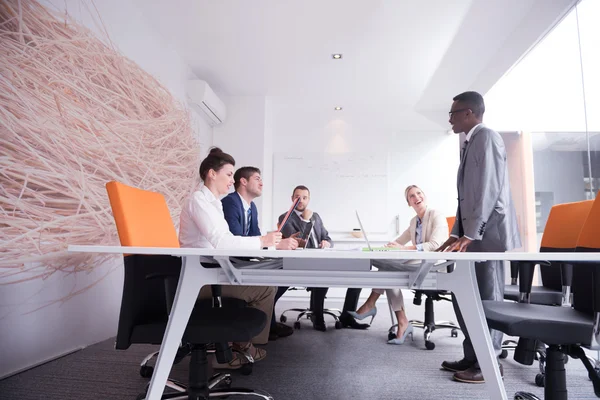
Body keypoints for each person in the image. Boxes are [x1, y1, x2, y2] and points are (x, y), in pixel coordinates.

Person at [437, 91, 521, 384]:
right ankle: (473, 355)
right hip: (472, 237)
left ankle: (489, 362)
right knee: (465, 296)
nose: (450, 119)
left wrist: (471, 233)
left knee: (487, 298)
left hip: (487, 237)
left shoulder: (486, 137)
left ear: (469, 112)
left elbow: (487, 189)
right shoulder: (471, 141)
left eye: (453, 113)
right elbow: (467, 198)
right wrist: (456, 234)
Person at [179, 148, 282, 368]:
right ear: (211, 174)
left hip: (209, 274)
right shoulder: (199, 201)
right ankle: (240, 348)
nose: (232, 180)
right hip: (200, 281)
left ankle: (236, 345)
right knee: (266, 288)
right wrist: (263, 241)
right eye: (228, 174)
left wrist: (264, 243)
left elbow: (226, 241)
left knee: (262, 281)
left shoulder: (214, 205)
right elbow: (223, 242)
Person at [348, 185, 448, 344]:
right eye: (411, 196)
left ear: (424, 196)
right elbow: (399, 241)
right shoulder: (414, 222)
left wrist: (404, 248)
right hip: (418, 264)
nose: (416, 198)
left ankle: (372, 305)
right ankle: (401, 322)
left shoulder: (436, 215)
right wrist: (384, 248)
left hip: (433, 267)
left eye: (418, 193)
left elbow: (435, 244)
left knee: (387, 268)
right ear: (409, 203)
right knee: (387, 270)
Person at [221, 166, 298, 341]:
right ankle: (267, 325)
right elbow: (235, 240)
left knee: (285, 273)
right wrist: (275, 245)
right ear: (243, 181)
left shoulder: (252, 207)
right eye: (257, 178)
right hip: (233, 263)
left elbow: (256, 238)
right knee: (277, 276)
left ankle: (267, 321)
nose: (262, 183)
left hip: (245, 259)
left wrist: (274, 240)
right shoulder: (230, 202)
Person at [277, 185, 369, 331]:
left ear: (309, 199)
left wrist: (327, 242)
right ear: (292, 198)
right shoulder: (285, 217)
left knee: (359, 269)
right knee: (322, 272)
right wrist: (305, 221)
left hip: (322, 257)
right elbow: (299, 243)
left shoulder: (316, 216)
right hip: (301, 263)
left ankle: (347, 317)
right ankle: (317, 316)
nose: (300, 200)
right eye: (297, 197)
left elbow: (327, 237)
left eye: (304, 197)